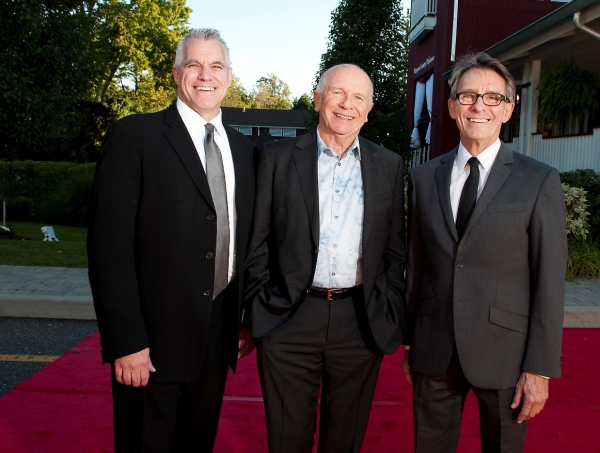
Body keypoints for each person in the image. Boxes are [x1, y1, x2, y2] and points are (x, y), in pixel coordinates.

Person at [87, 28, 256, 452]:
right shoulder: (135, 137)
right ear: (176, 72)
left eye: (216, 65)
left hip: (218, 339)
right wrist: (126, 341)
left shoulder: (246, 149)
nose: (206, 75)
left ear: (229, 76)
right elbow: (109, 250)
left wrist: (246, 318)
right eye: (194, 64)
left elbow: (249, 238)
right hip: (151, 343)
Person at [403, 52, 567, 453]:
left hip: (505, 354)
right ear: (451, 106)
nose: (479, 106)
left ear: (508, 109)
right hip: (434, 347)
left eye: (492, 97)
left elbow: (548, 279)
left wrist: (539, 367)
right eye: (468, 96)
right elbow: (416, 263)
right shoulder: (424, 178)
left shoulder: (539, 180)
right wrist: (410, 341)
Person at [244, 64, 407, 453]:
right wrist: (258, 305)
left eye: (358, 98)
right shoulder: (275, 158)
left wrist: (390, 307)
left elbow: (394, 249)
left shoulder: (388, 165)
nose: (346, 105)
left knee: (344, 441)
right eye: (337, 93)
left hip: (360, 321)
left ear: (368, 110)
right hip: (288, 320)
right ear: (318, 99)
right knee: (287, 440)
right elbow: (257, 243)